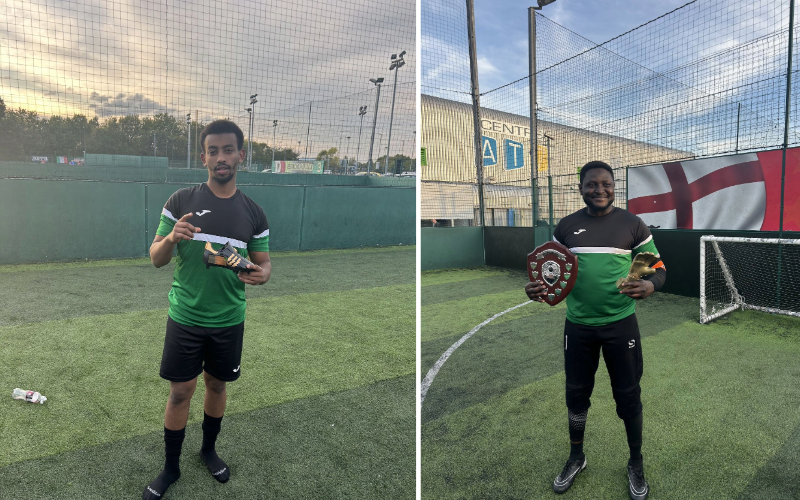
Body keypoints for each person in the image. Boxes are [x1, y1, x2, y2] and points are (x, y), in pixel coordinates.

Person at [143, 119, 271, 500]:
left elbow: (264, 263)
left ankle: (208, 450)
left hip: (229, 318)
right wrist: (170, 237)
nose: (220, 157)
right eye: (213, 151)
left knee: (216, 384)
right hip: (185, 316)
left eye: (228, 150)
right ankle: (170, 468)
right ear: (204, 157)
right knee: (181, 391)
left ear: (240, 156)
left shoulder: (254, 213)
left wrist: (262, 275)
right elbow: (155, 258)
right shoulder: (180, 201)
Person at [525, 161, 666, 500]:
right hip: (578, 328)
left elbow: (657, 269)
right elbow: (550, 272)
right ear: (581, 188)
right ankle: (577, 457)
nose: (599, 189)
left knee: (628, 395)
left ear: (615, 186)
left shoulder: (632, 225)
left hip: (621, 326)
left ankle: (635, 462)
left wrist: (649, 286)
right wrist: (537, 289)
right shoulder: (567, 227)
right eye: (591, 184)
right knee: (575, 394)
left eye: (606, 183)